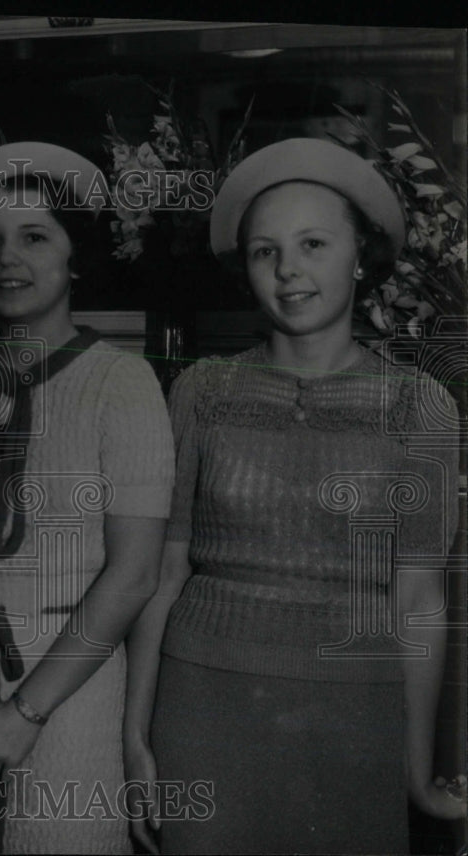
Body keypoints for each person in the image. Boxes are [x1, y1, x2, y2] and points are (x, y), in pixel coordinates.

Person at [125, 137, 465, 854]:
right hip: (205, 710)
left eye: (313, 243)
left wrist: (415, 769)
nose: (288, 271)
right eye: (264, 251)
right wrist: (135, 739)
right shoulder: (202, 390)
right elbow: (162, 575)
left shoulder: (420, 406)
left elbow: (420, 602)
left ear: (361, 256)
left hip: (354, 718)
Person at [0, 142, 175, 853]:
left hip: (66, 694)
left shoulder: (122, 383)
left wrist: (26, 711)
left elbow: (135, 573)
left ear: (75, 256)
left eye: (34, 237)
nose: (7, 259)